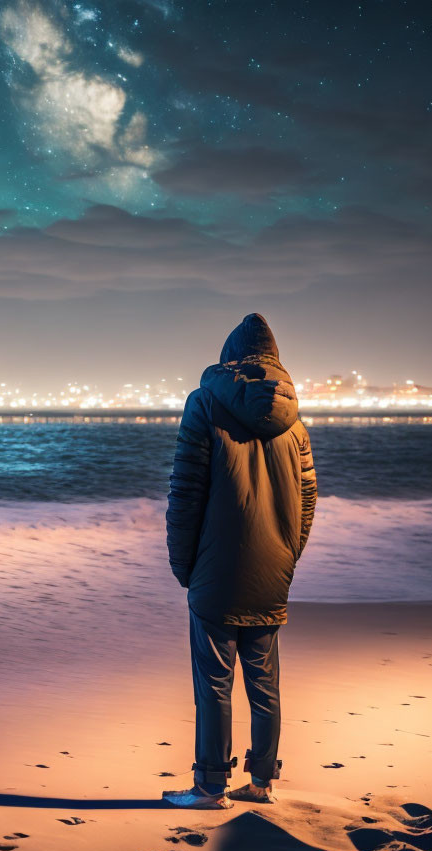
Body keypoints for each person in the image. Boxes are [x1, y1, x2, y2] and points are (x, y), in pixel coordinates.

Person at [161, 313, 317, 809]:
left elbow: (185, 493)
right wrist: (287, 556)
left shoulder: (204, 404)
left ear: (230, 355)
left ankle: (210, 784)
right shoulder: (294, 422)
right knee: (264, 680)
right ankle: (262, 782)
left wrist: (184, 566)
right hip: (273, 568)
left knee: (213, 682)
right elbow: (308, 498)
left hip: (215, 567)